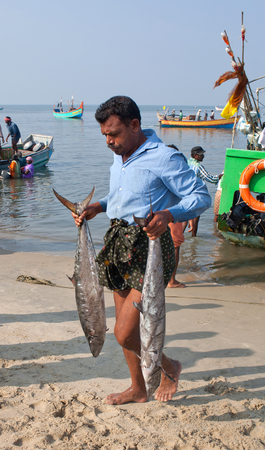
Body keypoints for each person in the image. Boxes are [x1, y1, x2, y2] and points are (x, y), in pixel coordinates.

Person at [72, 96, 211, 405]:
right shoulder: (120, 154)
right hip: (118, 243)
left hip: (149, 246)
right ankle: (138, 388)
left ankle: (169, 366)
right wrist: (99, 206)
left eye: (114, 134)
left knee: (123, 332)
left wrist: (169, 215)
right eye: (105, 135)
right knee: (124, 329)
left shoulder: (164, 157)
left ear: (135, 125)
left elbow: (202, 197)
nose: (109, 141)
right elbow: (123, 194)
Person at [183, 146, 223, 237]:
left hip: (184, 194)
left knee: (184, 218)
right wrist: (221, 175)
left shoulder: (186, 163)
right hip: (195, 194)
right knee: (196, 217)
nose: (203, 156)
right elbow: (211, 179)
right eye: (201, 155)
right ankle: (194, 238)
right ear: (195, 155)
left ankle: (178, 238)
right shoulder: (198, 166)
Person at [166, 145, 186, 288]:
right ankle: (171, 280)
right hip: (172, 214)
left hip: (157, 214)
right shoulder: (177, 171)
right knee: (174, 247)